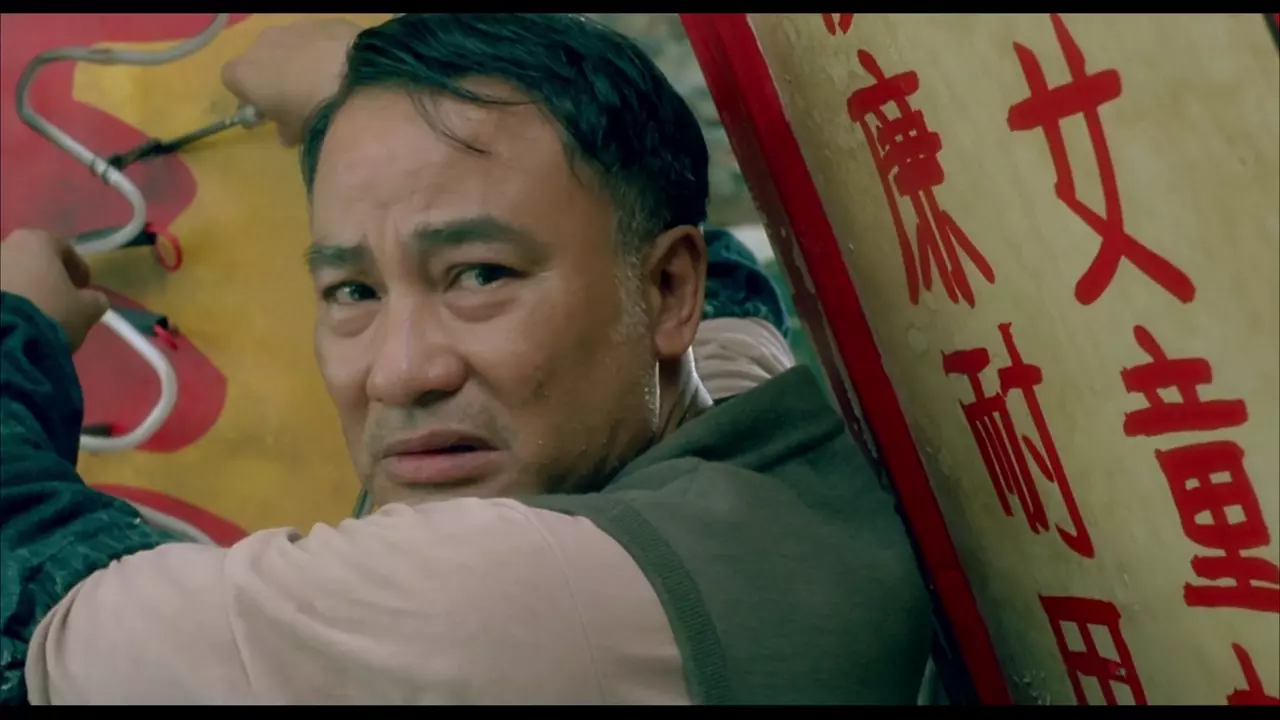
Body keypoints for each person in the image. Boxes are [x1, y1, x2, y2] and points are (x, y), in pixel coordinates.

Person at [0, 14, 931, 704]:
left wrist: (18, 328)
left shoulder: (527, 598)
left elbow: (47, 615)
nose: (400, 372)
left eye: (481, 275)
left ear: (665, 291)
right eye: (353, 291)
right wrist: (381, 102)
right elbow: (723, 290)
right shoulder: (758, 454)